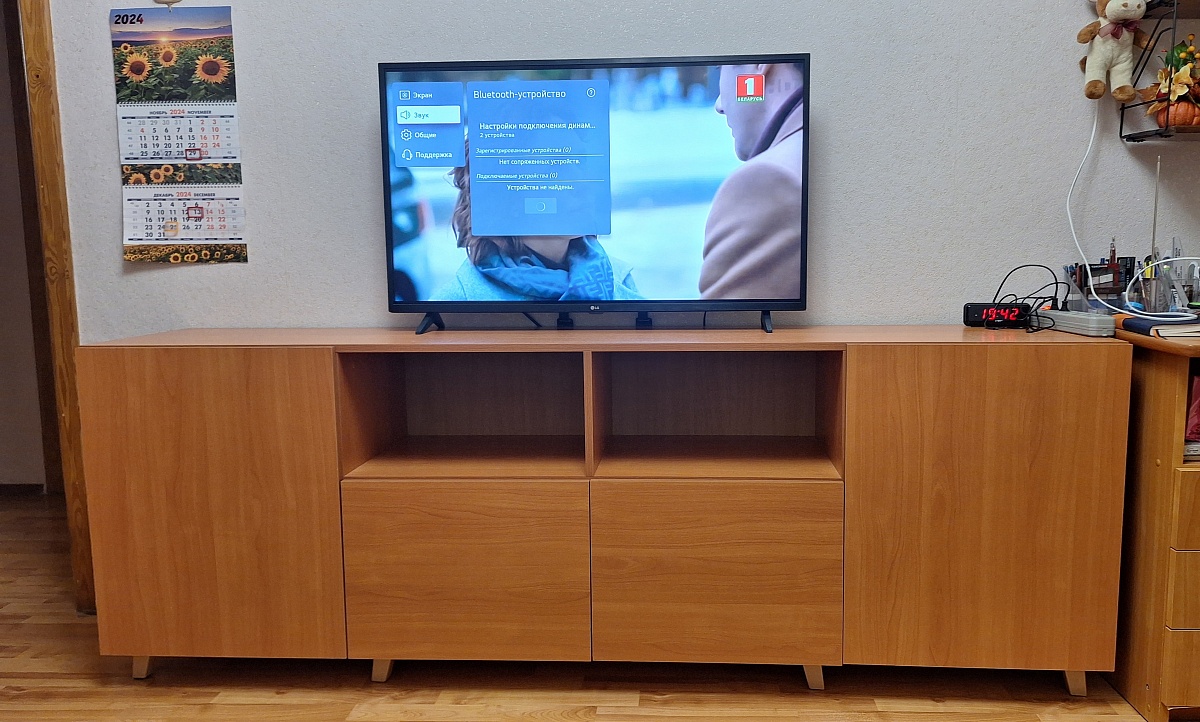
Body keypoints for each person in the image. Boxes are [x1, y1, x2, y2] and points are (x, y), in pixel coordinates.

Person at [431, 151, 641, 302]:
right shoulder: (458, 303)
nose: (583, 185)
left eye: (580, 165)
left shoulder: (617, 278)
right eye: (557, 171)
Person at [699, 63, 806, 300]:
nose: (719, 105)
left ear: (758, 66)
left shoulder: (766, 181)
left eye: (719, 69)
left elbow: (724, 323)